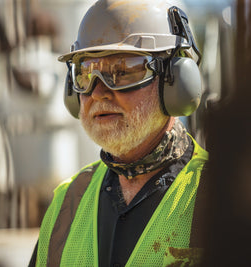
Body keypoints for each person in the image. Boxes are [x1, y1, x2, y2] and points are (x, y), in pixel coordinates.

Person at [29, 0, 208, 266]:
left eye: (123, 71)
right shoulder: (65, 204)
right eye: (85, 73)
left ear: (175, 81)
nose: (98, 92)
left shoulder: (215, 197)